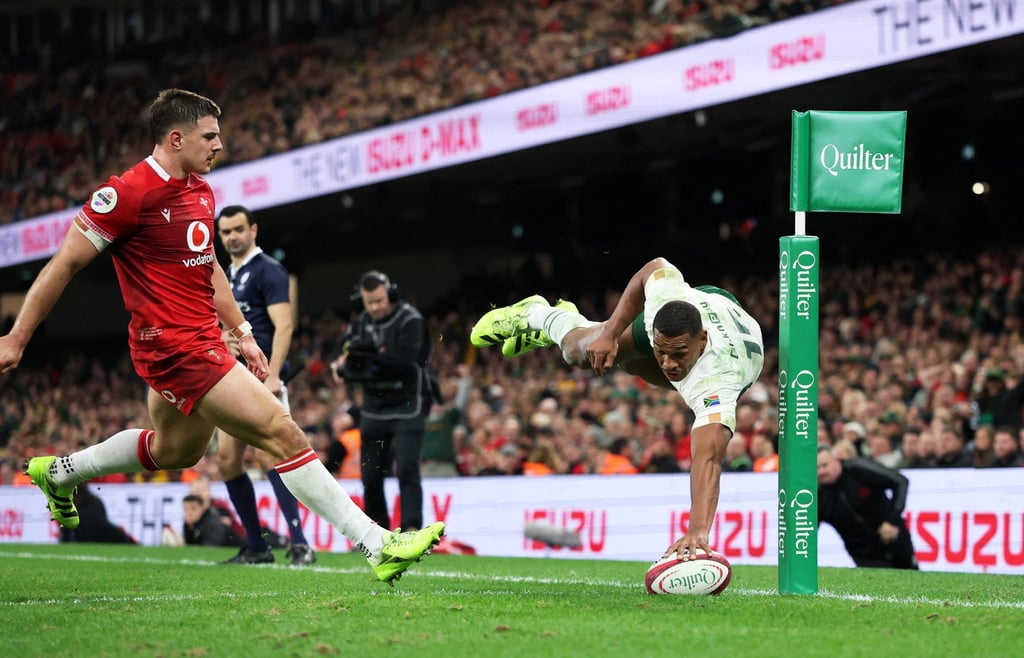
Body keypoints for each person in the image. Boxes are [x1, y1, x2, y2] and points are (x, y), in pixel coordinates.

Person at [2, 88, 443, 585]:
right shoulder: (126, 194)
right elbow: (64, 263)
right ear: (175, 138)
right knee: (281, 431)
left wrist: (243, 332)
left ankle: (60, 472)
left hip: (203, 338)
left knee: (176, 451)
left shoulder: (200, 190)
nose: (218, 145)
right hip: (174, 347)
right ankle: (377, 544)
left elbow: (208, 266)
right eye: (209, 136)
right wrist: (17, 337)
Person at [470, 256, 764, 560]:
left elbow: (709, 460)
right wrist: (609, 335)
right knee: (582, 353)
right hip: (707, 303)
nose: (667, 364)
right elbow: (653, 267)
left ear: (701, 341)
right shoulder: (663, 304)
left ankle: (573, 323)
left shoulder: (716, 383)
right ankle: (540, 314)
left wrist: (697, 532)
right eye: (661, 352)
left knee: (630, 363)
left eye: (678, 354)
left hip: (730, 338)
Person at [214, 204, 315, 567]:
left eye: (238, 229)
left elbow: (284, 325)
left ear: (253, 230)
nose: (232, 237)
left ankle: (300, 543)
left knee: (270, 454)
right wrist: (221, 340)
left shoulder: (269, 270)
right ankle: (257, 547)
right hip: (231, 377)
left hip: (261, 376)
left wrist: (272, 375)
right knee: (228, 460)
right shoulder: (224, 274)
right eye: (226, 232)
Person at [331, 270, 438, 531]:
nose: (376, 307)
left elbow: (406, 362)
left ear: (390, 294)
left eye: (380, 300)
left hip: (407, 407)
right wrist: (339, 363)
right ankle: (377, 532)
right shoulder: (361, 322)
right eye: (370, 302)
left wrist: (369, 358)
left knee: (407, 469)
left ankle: (411, 530)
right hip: (374, 408)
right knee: (371, 475)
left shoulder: (410, 320)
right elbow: (342, 350)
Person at [816, 446, 919, 569]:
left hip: (894, 535)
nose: (821, 472)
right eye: (816, 468)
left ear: (837, 460)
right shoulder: (816, 495)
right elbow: (809, 529)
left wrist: (891, 520)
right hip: (864, 554)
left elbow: (900, 481)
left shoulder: (858, 469)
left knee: (911, 575)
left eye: (825, 465)